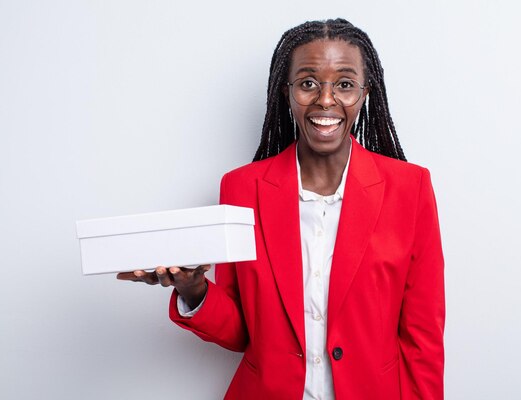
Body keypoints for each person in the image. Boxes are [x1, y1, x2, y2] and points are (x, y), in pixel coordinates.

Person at [118, 18, 445, 400]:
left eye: (344, 84)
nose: (326, 99)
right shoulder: (242, 188)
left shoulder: (410, 188)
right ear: (285, 93)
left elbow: (423, 337)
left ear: (365, 92)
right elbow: (242, 331)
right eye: (308, 83)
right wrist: (194, 291)